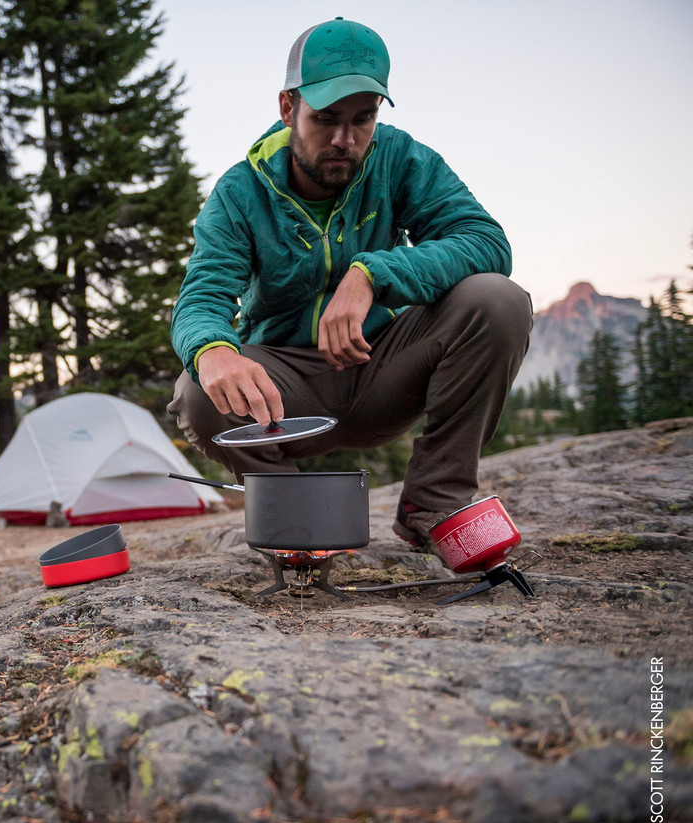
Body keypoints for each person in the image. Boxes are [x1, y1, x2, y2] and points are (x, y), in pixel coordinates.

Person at [167, 17, 533, 549]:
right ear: (288, 108)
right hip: (286, 394)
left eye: (363, 119)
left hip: (385, 367)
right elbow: (201, 296)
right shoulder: (239, 191)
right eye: (326, 119)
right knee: (198, 389)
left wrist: (372, 273)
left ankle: (433, 506)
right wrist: (211, 350)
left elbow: (485, 242)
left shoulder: (401, 159)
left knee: (498, 301)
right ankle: (296, 522)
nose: (345, 139)